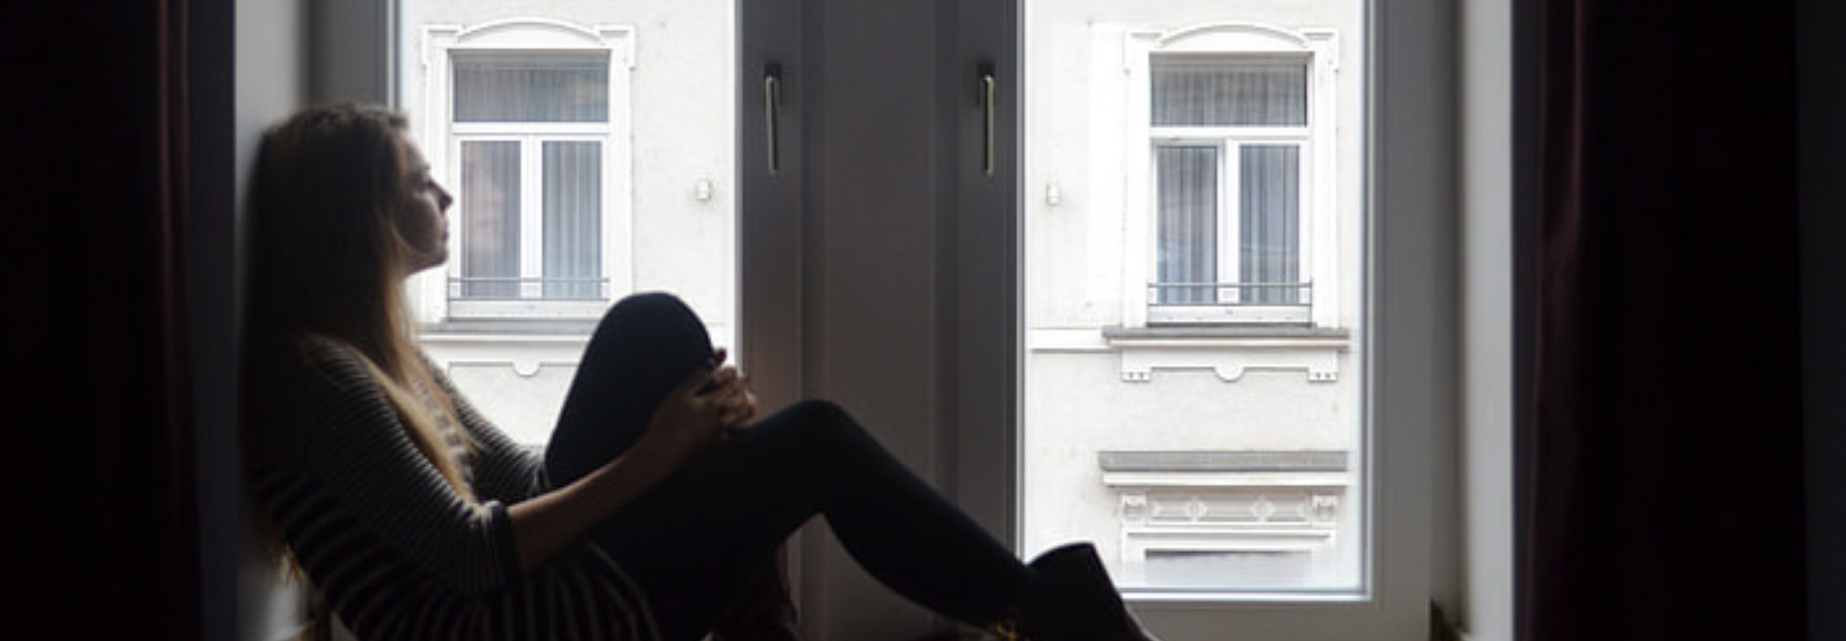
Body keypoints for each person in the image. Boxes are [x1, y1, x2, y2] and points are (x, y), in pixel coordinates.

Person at [242, 103, 1160, 641]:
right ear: (356, 222)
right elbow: (474, 555)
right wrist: (658, 455)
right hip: (506, 628)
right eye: (417, 182)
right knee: (815, 441)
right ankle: (1049, 622)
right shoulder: (320, 377)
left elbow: (523, 482)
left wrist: (689, 443)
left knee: (658, 336)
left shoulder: (385, 358)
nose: (444, 196)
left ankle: (1042, 620)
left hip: (521, 601)